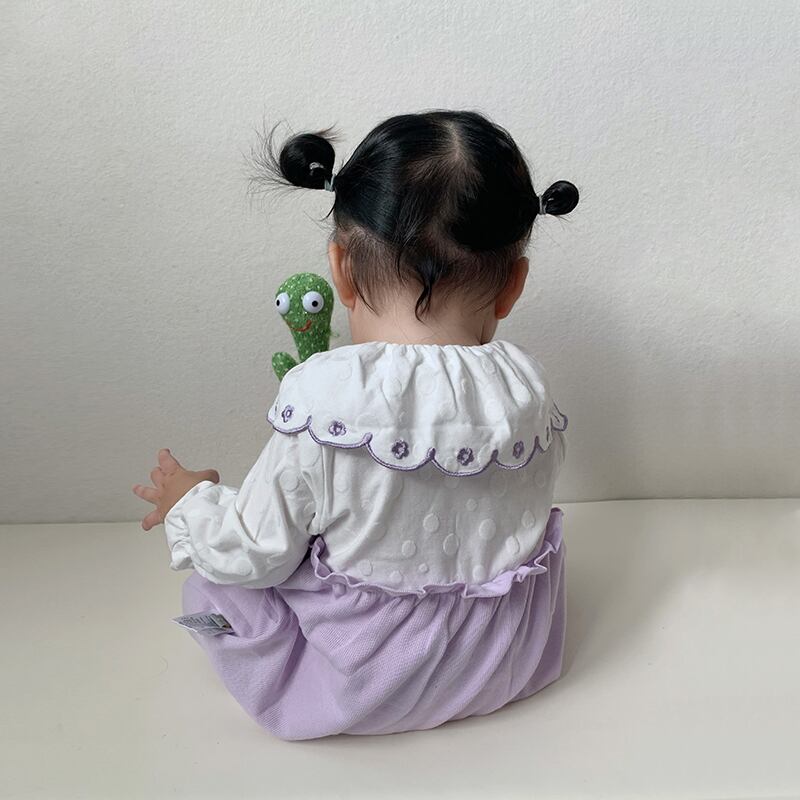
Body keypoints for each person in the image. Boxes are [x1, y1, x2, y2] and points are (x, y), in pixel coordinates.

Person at [132, 109, 579, 740]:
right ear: (514, 285)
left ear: (340, 269)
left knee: (214, 590)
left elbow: (253, 554)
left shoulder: (325, 395)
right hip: (508, 662)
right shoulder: (526, 384)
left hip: (365, 684)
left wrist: (191, 503)